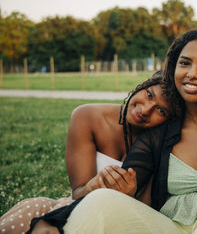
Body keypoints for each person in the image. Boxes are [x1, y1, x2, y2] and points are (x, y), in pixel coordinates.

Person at [29, 30, 197, 234]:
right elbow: (115, 189)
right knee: (103, 200)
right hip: (166, 227)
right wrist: (50, 220)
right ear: (173, 68)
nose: (192, 73)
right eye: (185, 63)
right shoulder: (158, 134)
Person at [0, 71, 170, 234]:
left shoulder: (160, 143)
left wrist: (129, 197)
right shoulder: (88, 116)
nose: (146, 110)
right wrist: (95, 184)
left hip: (118, 221)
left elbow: (146, 211)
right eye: (149, 95)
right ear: (142, 85)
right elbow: (77, 193)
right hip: (74, 207)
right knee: (33, 212)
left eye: (161, 111)